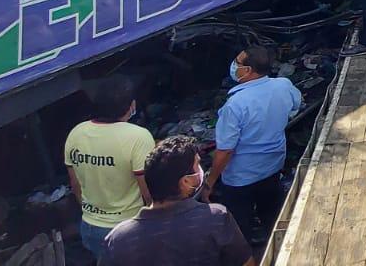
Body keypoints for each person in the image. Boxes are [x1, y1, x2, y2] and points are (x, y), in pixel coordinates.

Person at [104, 136, 255, 266]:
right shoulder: (215, 218)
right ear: (185, 182)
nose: (201, 170)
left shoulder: (118, 238)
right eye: (197, 165)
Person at [207, 46, 303, 243]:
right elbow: (295, 104)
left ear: (248, 70)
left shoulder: (235, 106)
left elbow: (225, 151)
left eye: (238, 63)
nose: (234, 65)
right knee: (272, 218)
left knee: (240, 230)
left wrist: (209, 182)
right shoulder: (283, 86)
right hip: (273, 166)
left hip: (240, 178)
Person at [64, 75, 155, 261]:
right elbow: (148, 192)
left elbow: (75, 185)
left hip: (90, 226)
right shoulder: (138, 137)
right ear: (131, 106)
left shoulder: (76, 133)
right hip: (128, 228)